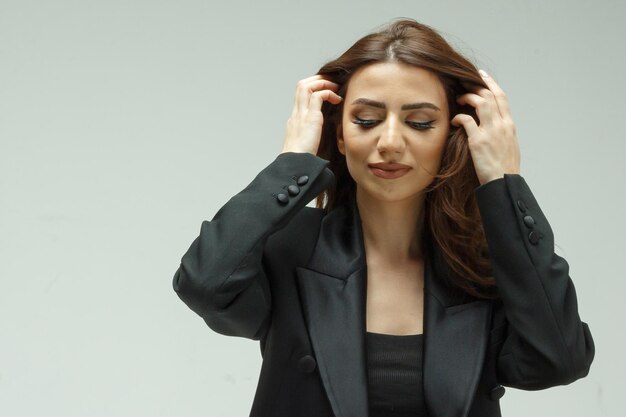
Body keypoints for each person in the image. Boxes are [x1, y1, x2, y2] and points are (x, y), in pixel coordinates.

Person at [172, 18, 595, 417]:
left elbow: (557, 360)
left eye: (421, 122)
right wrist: (292, 162)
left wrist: (504, 184)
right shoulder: (290, 248)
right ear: (338, 133)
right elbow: (204, 285)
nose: (390, 142)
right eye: (367, 120)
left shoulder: (484, 265)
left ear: (454, 134)